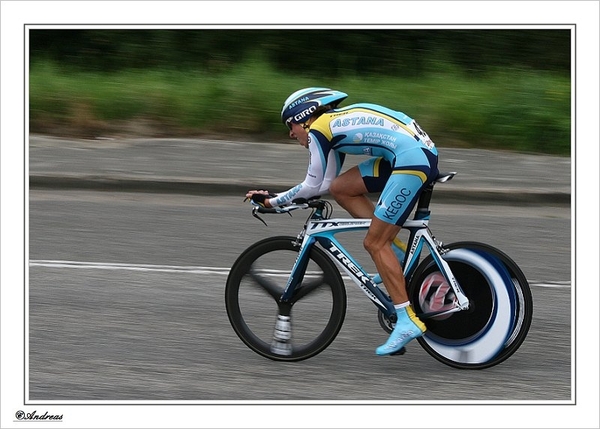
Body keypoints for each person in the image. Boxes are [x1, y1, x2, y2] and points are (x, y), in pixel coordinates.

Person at [246, 87, 439, 356]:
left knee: (373, 242)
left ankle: (406, 319)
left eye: (290, 125)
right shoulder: (330, 128)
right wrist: (285, 200)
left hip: (411, 159)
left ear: (303, 118)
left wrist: (272, 201)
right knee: (342, 188)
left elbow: (311, 185)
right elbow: (325, 184)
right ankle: (395, 253)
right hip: (413, 153)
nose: (290, 133)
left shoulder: (318, 130)